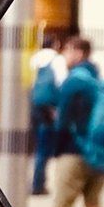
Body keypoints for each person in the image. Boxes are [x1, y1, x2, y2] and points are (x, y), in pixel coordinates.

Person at [41, 37, 104, 207]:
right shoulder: (98, 77)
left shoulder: (73, 81)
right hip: (98, 154)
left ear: (78, 52)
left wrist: (56, 151)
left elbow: (62, 122)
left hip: (73, 153)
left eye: (67, 50)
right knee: (93, 205)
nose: (65, 55)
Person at [29, 35, 65, 195]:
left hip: (35, 104)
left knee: (39, 145)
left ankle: (36, 181)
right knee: (45, 147)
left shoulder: (34, 58)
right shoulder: (57, 59)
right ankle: (38, 184)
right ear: (55, 44)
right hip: (50, 107)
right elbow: (61, 81)